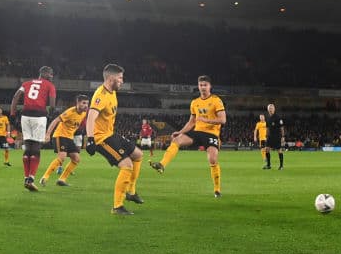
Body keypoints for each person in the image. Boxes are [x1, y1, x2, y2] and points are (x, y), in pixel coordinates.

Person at [151, 76, 226, 197]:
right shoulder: (195, 102)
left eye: (205, 85)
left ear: (210, 86)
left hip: (211, 133)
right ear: (198, 86)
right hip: (197, 132)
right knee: (176, 140)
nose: (202, 87)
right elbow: (191, 122)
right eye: (201, 85)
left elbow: (223, 120)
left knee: (212, 159)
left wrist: (205, 119)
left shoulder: (216, 100)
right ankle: (162, 164)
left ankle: (217, 189)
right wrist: (180, 132)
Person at [86, 63, 144, 215]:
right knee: (127, 165)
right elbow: (91, 117)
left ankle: (131, 192)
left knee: (138, 154)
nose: (122, 81)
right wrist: (90, 139)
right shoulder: (101, 95)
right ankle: (117, 206)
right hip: (101, 139)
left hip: (110, 134)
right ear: (111, 78)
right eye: (120, 78)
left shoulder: (112, 92)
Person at [10, 65, 57, 192]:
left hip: (25, 116)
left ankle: (26, 177)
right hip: (39, 116)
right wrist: (50, 113)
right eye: (50, 74)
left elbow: (15, 97)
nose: (52, 76)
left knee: (27, 145)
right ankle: (31, 179)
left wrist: (13, 114)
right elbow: (52, 103)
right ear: (45, 74)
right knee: (36, 147)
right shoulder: (49, 85)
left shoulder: (26, 83)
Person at [40, 95, 89, 187]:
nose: (86, 105)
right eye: (83, 103)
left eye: (87, 103)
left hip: (69, 138)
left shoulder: (83, 114)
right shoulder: (70, 112)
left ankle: (62, 179)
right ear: (77, 103)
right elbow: (55, 121)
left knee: (76, 159)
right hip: (60, 135)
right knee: (62, 157)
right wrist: (47, 134)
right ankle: (45, 177)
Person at [263, 102, 284, 170]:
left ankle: (281, 166)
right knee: (267, 149)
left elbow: (282, 128)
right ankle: (268, 165)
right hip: (270, 136)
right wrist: (266, 136)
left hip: (277, 136)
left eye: (272, 108)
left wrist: (283, 137)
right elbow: (267, 128)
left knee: (279, 150)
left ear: (274, 109)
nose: (270, 110)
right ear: (268, 109)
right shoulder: (268, 118)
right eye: (269, 108)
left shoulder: (278, 117)